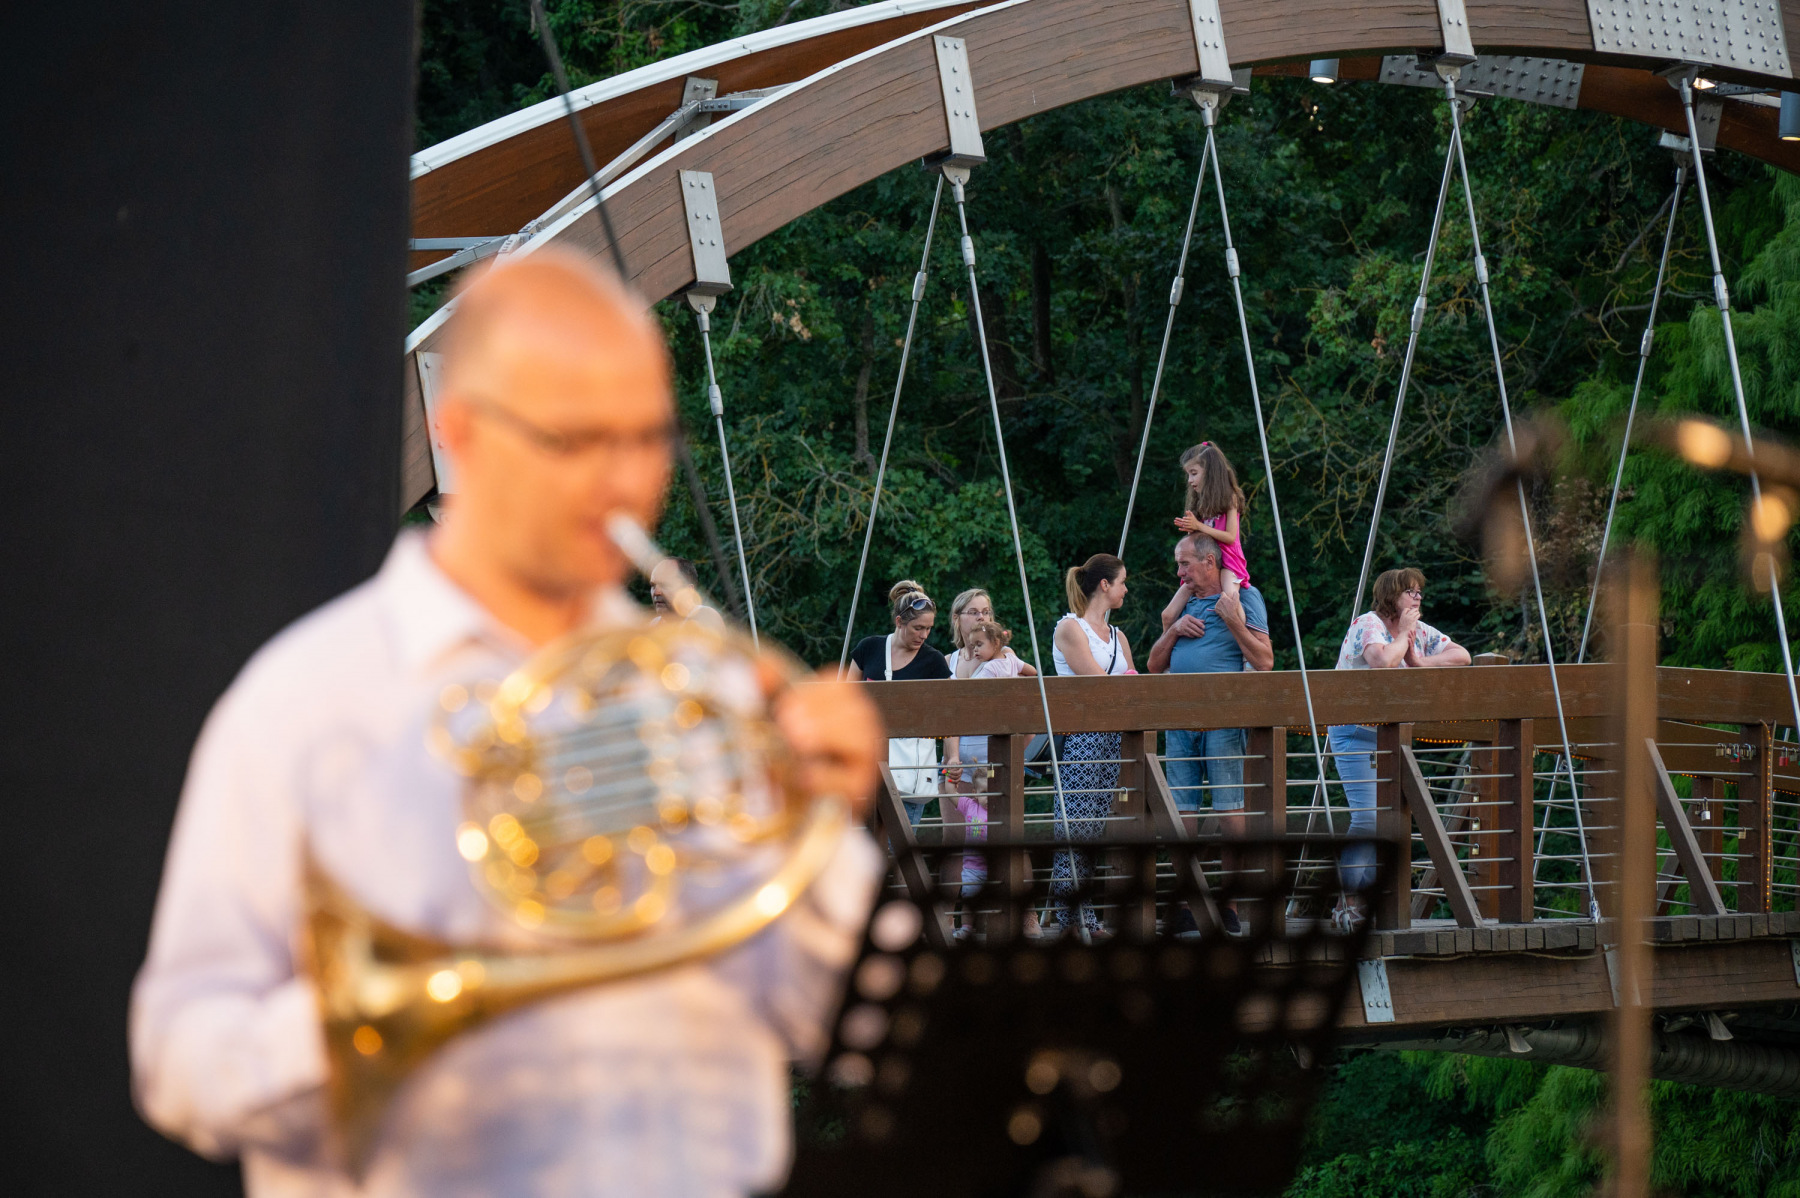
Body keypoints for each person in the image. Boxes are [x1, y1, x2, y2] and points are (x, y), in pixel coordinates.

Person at [130, 249, 885, 1198]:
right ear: (461, 431)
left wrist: (821, 824)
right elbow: (182, 1058)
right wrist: (398, 1002)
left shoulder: (711, 692)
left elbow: (858, 1026)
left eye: (647, 437)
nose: (624, 482)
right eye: (576, 440)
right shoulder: (306, 702)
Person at [1329, 567, 1471, 929]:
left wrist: (1421, 661)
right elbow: (1382, 662)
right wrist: (1405, 636)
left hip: (1390, 735)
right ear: (1392, 595)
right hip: (1353, 729)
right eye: (1411, 591)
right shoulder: (1368, 623)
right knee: (1368, 818)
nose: (1418, 597)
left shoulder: (1420, 631)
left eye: (1420, 592)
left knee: (1388, 820)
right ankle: (1348, 901)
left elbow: (1462, 656)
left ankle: (1369, 902)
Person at [1146, 534, 1273, 935]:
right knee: (1182, 817)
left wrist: (1233, 619)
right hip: (1179, 722)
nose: (1179, 572)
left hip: (1223, 720)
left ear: (1209, 562)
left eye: (1184, 563)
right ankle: (1187, 906)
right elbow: (1153, 666)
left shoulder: (1245, 597)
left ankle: (1229, 906)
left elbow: (1265, 661)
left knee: (1230, 813)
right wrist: (1173, 630)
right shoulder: (1182, 604)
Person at [1049, 554, 1136, 936]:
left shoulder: (1119, 636)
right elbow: (1097, 683)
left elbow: (1132, 684)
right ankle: (1072, 919)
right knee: (1074, 830)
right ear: (1105, 585)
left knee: (1094, 829)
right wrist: (1126, 684)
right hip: (1081, 739)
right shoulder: (1071, 628)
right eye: (1122, 582)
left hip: (1113, 739)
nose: (1125, 589)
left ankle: (1084, 916)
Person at [847, 580, 953, 823]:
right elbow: (845, 700)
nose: (924, 635)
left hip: (908, 772)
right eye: (918, 628)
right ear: (899, 622)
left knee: (898, 845)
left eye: (929, 628)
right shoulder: (868, 648)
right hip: (865, 767)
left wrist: (953, 757)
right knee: (863, 841)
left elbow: (949, 713)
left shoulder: (934, 661)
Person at [948, 620, 1036, 903]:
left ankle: (969, 918)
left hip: (989, 741)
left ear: (995, 643)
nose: (975, 650)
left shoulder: (988, 669)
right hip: (1003, 744)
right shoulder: (1011, 661)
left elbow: (969, 699)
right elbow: (1033, 673)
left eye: (980, 645)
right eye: (972, 645)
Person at [1170, 441, 1249, 604]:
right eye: (1188, 475)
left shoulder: (1230, 497)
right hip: (1204, 562)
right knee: (1169, 612)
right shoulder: (1199, 501)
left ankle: (1240, 620)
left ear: (1210, 473)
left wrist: (1198, 526)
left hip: (1228, 561)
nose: (1189, 480)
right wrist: (1190, 530)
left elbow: (1230, 537)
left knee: (1230, 598)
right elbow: (1197, 541)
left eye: (1193, 473)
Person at [648, 555, 726, 631]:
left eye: (665, 584)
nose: (656, 592)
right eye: (653, 585)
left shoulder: (705, 617)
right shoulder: (654, 625)